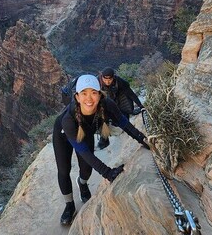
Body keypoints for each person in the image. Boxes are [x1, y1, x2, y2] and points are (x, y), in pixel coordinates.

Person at [52, 74, 150, 225]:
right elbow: (83, 151)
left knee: (86, 170)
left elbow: (124, 124)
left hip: (86, 132)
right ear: (77, 97)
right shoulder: (68, 119)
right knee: (64, 170)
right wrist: (108, 173)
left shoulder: (107, 105)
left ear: (100, 94)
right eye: (84, 93)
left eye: (93, 93)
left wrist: (143, 139)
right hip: (63, 135)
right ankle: (69, 205)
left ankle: (82, 184)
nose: (89, 98)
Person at [97, 67, 145, 149]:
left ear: (113, 77)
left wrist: (141, 106)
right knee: (103, 120)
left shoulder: (119, 82)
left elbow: (130, 94)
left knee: (124, 120)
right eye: (105, 79)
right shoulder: (97, 83)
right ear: (102, 77)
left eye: (110, 79)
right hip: (103, 102)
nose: (107, 82)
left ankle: (140, 139)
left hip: (118, 100)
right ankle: (104, 140)